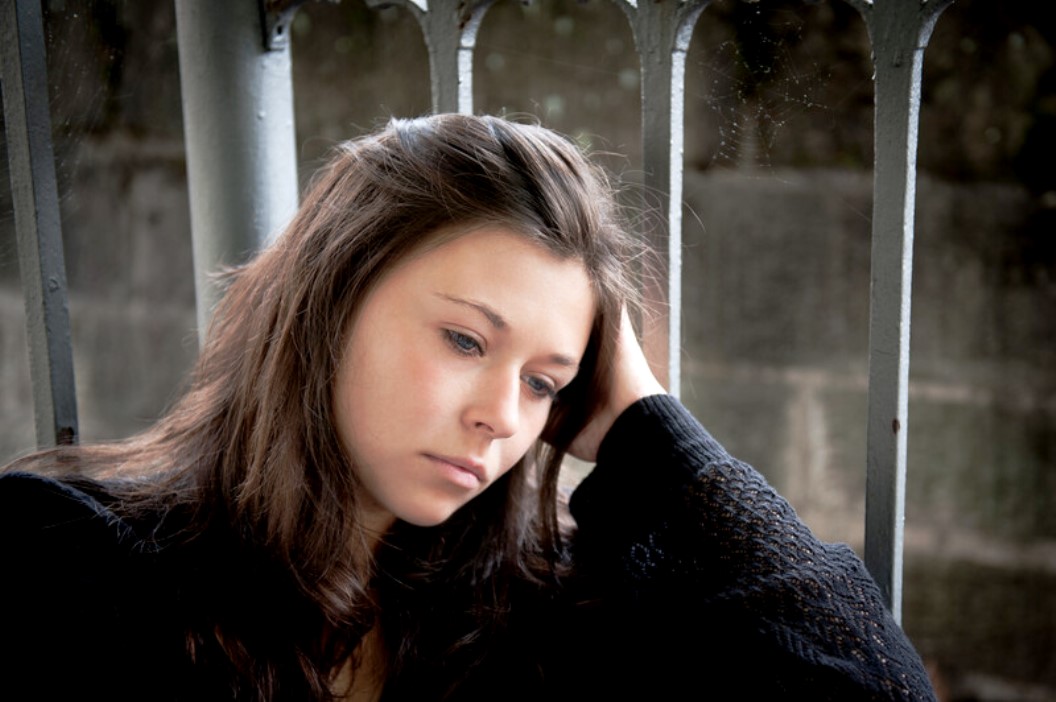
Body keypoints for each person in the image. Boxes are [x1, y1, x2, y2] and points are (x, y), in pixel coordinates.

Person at [0, 113, 937, 701]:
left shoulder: (532, 607)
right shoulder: (73, 556)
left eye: (546, 383)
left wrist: (655, 434)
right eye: (464, 340)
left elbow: (877, 688)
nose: (503, 416)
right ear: (329, 305)